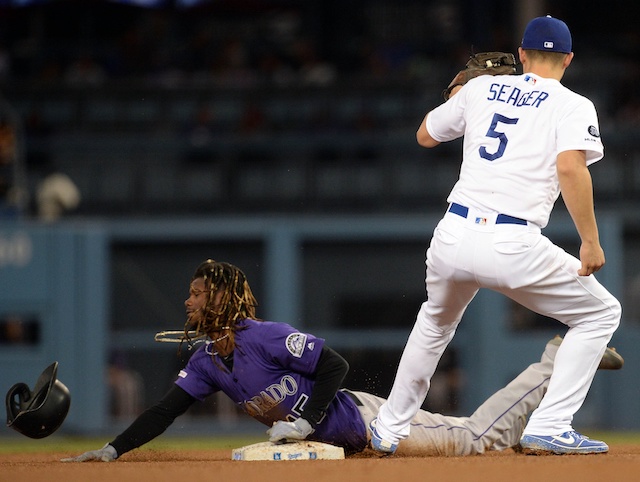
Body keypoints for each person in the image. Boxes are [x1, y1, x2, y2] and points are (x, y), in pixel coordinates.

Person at [61, 260, 623, 462]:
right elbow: (164, 411)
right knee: (474, 437)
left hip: (368, 421)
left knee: (477, 438)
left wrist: (305, 418)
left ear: (222, 298)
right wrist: (113, 450)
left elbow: (334, 365)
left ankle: (555, 358)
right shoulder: (209, 361)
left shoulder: (265, 337)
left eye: (196, 293)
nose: (187, 302)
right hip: (344, 447)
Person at [368, 15, 622, 456]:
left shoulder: (481, 89)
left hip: (452, 234)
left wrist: (458, 95)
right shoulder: (573, 104)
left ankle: (388, 429)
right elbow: (569, 167)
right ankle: (551, 423)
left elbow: (425, 135)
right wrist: (590, 240)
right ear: (569, 59)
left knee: (433, 323)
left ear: (521, 54)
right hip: (512, 242)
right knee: (600, 313)